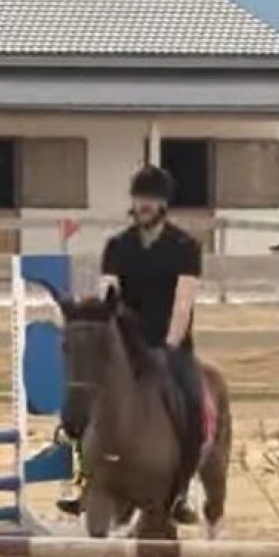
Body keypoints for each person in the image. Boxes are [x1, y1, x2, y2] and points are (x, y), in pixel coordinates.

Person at [56, 164, 203, 525]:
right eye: (140, 198)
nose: (144, 205)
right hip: (127, 345)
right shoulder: (118, 246)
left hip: (170, 345)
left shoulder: (184, 247)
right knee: (84, 400)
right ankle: (83, 483)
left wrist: (169, 346)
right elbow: (110, 293)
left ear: (163, 203)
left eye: (151, 199)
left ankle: (179, 490)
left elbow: (183, 302)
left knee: (193, 404)